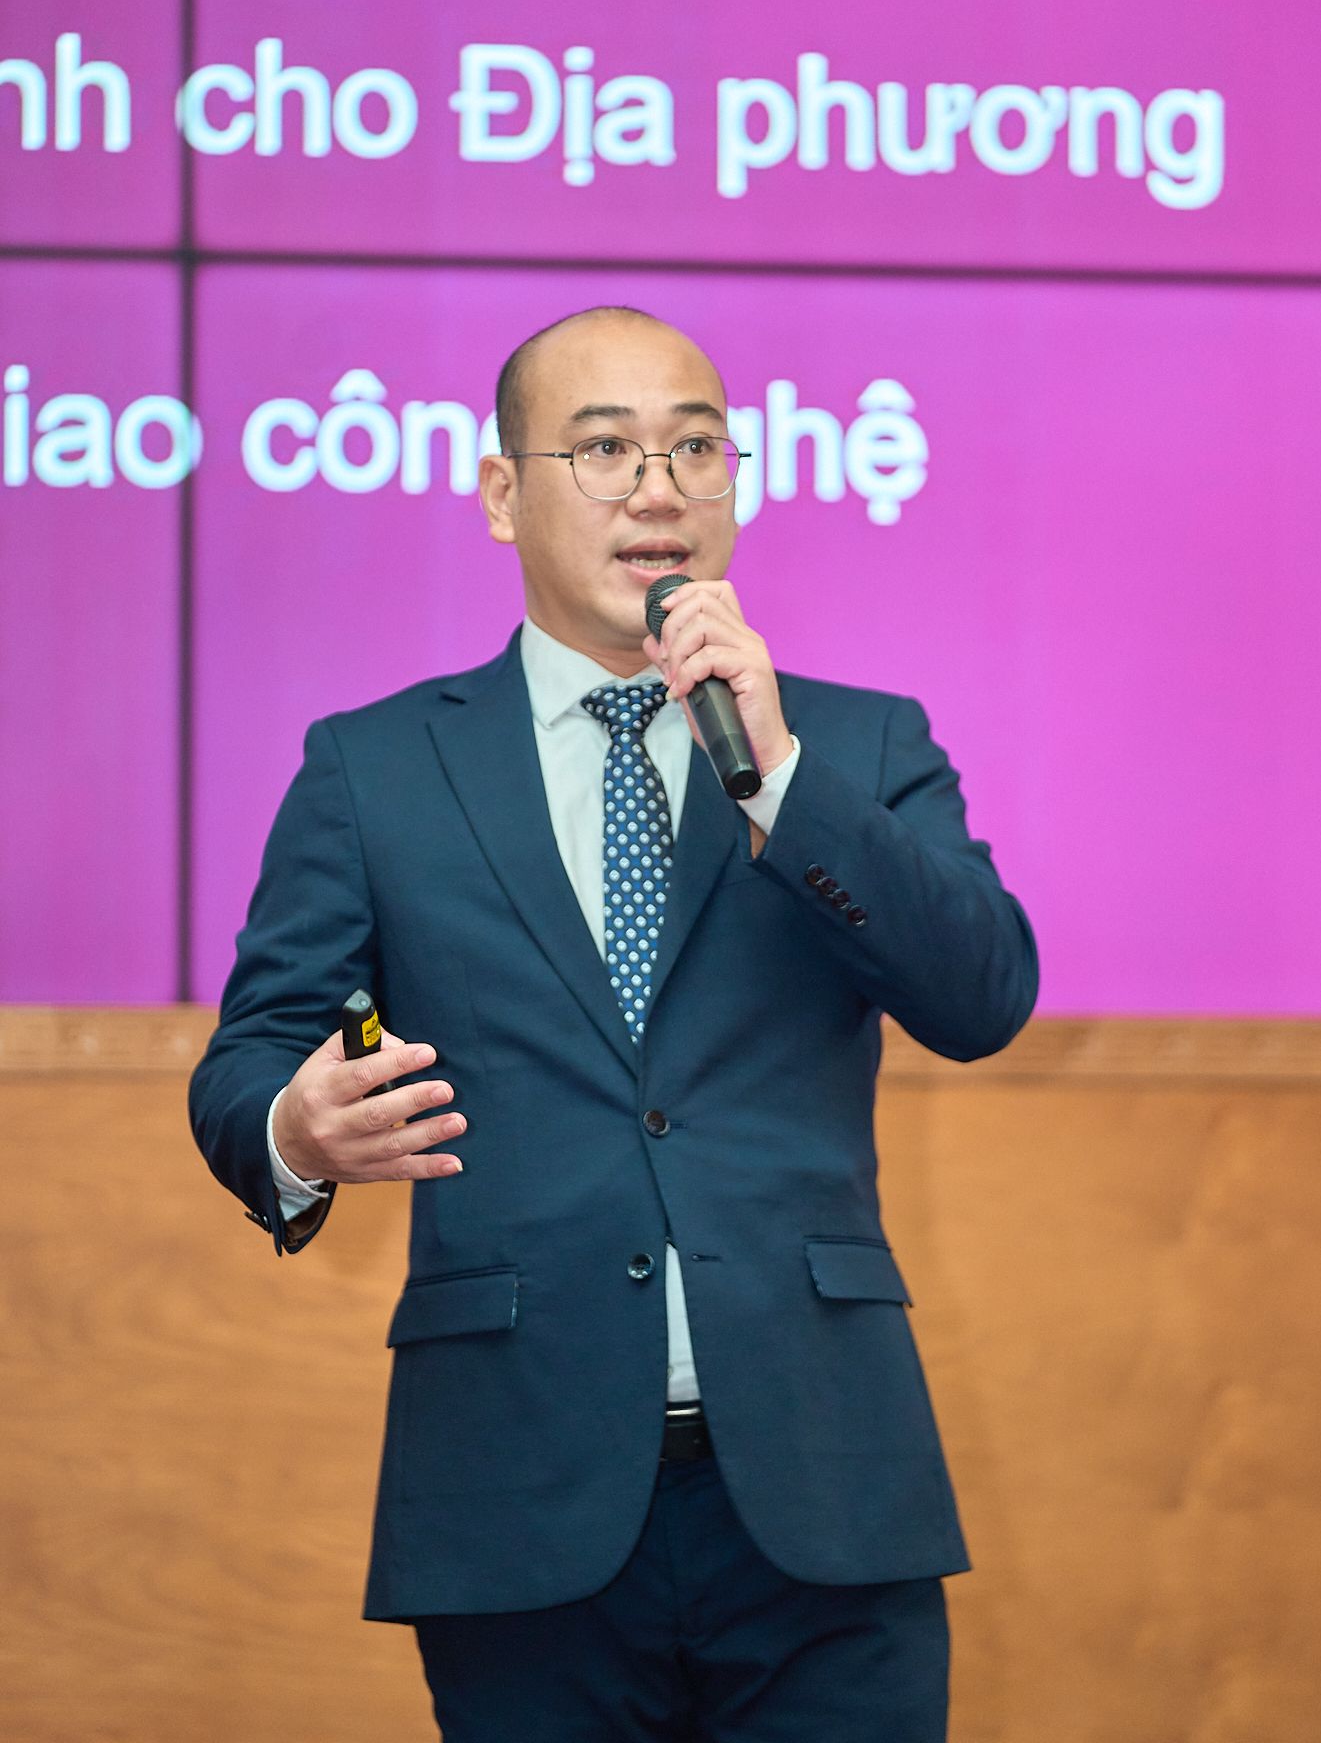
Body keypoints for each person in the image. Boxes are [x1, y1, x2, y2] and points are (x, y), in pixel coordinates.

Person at [189, 305, 1038, 1742]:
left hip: (825, 1483)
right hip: (518, 1492)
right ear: (502, 493)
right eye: (605, 449)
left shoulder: (857, 745)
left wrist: (776, 772)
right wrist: (293, 1128)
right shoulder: (375, 767)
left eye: (694, 448)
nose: (658, 488)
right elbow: (250, 1056)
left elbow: (980, 997)